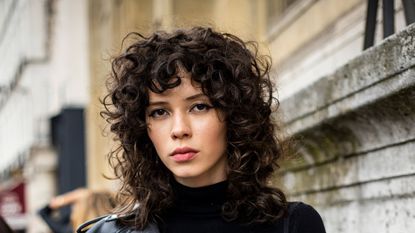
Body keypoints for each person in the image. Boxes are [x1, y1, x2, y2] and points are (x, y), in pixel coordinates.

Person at [78, 27, 326, 233]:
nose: (179, 130)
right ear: (143, 128)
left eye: (199, 107)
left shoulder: (293, 225)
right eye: (159, 112)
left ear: (235, 116)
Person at [38, 188, 116, 233]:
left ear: (82, 211)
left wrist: (63, 200)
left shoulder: (71, 230)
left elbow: (42, 212)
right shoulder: (119, 226)